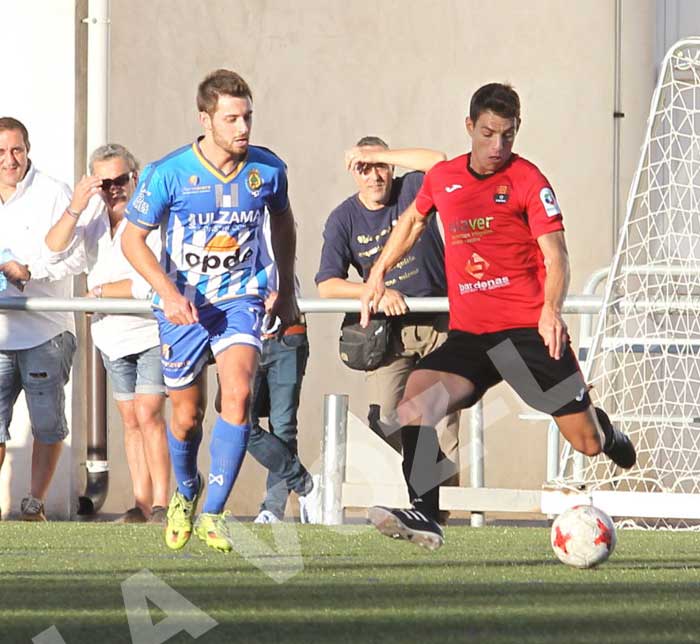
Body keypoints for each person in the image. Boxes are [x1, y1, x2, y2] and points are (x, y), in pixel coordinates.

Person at [360, 83, 636, 550]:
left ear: (517, 130)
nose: (497, 146)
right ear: (469, 126)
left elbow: (557, 255)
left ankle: (604, 430)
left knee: (585, 443)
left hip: (528, 332)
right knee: (415, 401)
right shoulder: (443, 178)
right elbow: (414, 221)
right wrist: (378, 272)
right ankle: (426, 514)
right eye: (488, 133)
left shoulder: (528, 180)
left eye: (507, 135)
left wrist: (551, 310)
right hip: (471, 335)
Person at [121, 69, 299, 552]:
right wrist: (168, 293)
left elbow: (283, 221)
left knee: (238, 394)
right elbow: (132, 240)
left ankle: (214, 513)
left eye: (247, 117)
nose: (243, 128)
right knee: (186, 416)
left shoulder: (267, 170)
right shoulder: (169, 173)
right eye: (231, 119)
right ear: (205, 119)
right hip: (185, 307)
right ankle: (186, 490)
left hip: (240, 298)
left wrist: (283, 286)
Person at [316, 138, 460, 524]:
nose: (374, 176)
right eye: (363, 168)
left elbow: (439, 160)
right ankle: (432, 478)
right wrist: (374, 292)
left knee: (443, 415)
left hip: (438, 320)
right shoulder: (343, 218)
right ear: (353, 174)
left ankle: (439, 513)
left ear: (391, 167)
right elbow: (327, 285)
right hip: (388, 331)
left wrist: (377, 154)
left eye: (380, 166)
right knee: (385, 419)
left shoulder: (411, 188)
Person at [44, 143, 170, 524]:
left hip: (151, 331)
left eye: (120, 180)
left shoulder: (153, 217)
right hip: (112, 336)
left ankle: (163, 503)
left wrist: (99, 292)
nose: (114, 189)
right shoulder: (94, 220)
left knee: (149, 413)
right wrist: (76, 205)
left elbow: (150, 283)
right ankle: (142, 503)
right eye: (104, 183)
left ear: (136, 177)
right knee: (130, 418)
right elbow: (53, 255)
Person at [0, 117, 78, 521]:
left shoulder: (53, 193)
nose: (9, 160)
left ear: (28, 150)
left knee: (47, 424)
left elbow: (76, 258)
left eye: (16, 150)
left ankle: (34, 504)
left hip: (45, 332)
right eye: (1, 152)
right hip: (1, 334)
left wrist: (30, 271)